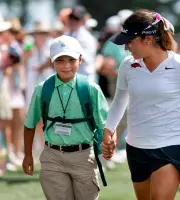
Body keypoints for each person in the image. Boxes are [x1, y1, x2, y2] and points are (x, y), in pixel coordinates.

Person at [102, 9, 180, 200]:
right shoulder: (128, 65)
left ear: (148, 39)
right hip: (136, 148)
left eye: (130, 41)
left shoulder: (178, 66)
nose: (126, 48)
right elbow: (120, 101)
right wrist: (108, 131)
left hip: (170, 146)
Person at [22, 35, 109, 200]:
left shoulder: (91, 88)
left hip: (83, 156)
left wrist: (109, 142)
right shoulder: (42, 89)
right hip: (52, 156)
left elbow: (105, 123)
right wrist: (27, 155)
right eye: (60, 60)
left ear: (80, 60)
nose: (66, 66)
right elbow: (29, 124)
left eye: (71, 60)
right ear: (51, 61)